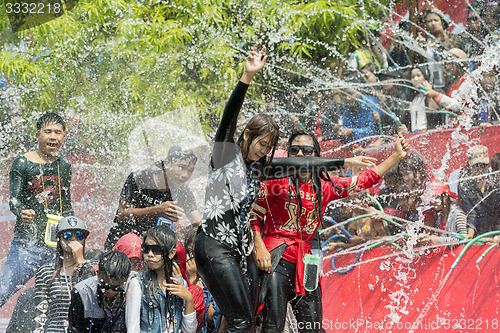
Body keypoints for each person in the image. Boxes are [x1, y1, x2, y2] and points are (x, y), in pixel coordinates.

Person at [194, 44, 376, 333]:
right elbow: (227, 120)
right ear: (247, 136)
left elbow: (297, 164)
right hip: (214, 246)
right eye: (260, 144)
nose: (262, 151)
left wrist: (343, 160)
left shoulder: (260, 168)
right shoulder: (224, 157)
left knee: (247, 319)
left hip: (240, 251)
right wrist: (246, 78)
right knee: (242, 321)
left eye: (268, 147)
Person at [249, 131, 409, 333]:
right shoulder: (276, 181)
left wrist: (395, 156)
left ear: (316, 155)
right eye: (294, 149)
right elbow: (254, 215)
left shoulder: (325, 186)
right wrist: (260, 247)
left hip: (307, 262)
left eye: (306, 150)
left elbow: (364, 180)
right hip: (276, 258)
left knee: (313, 327)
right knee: (272, 326)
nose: (300, 154)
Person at [1, 113, 73, 309]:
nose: (53, 137)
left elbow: (66, 206)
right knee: (2, 290)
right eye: (47, 132)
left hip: (54, 247)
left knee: (56, 303)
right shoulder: (22, 163)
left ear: (64, 137)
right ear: (37, 135)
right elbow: (13, 199)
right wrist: (21, 211)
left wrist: (73, 236)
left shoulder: (64, 166)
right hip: (27, 244)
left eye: (58, 133)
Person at [105, 145, 202, 250]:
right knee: (132, 243)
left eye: (190, 170)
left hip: (154, 248)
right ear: (167, 163)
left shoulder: (183, 191)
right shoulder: (140, 178)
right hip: (124, 241)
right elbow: (122, 214)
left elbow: (197, 223)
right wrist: (157, 210)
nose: (185, 175)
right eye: (181, 167)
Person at [126, 225, 197, 333]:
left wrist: (189, 299)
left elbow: (189, 330)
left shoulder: (179, 283)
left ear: (171, 253)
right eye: (146, 249)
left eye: (156, 250)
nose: (150, 254)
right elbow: (132, 328)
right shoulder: (137, 283)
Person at [68, 250, 131, 332]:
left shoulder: (133, 287)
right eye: (105, 286)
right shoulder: (82, 293)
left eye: (116, 288)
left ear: (126, 278)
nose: (109, 292)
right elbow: (74, 329)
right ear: (98, 274)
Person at [458, 145, 495, 237]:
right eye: (476, 166)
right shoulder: (464, 186)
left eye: (483, 165)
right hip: (476, 232)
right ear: (470, 166)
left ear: (488, 165)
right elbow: (470, 212)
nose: (480, 169)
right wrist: (470, 233)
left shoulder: (494, 182)